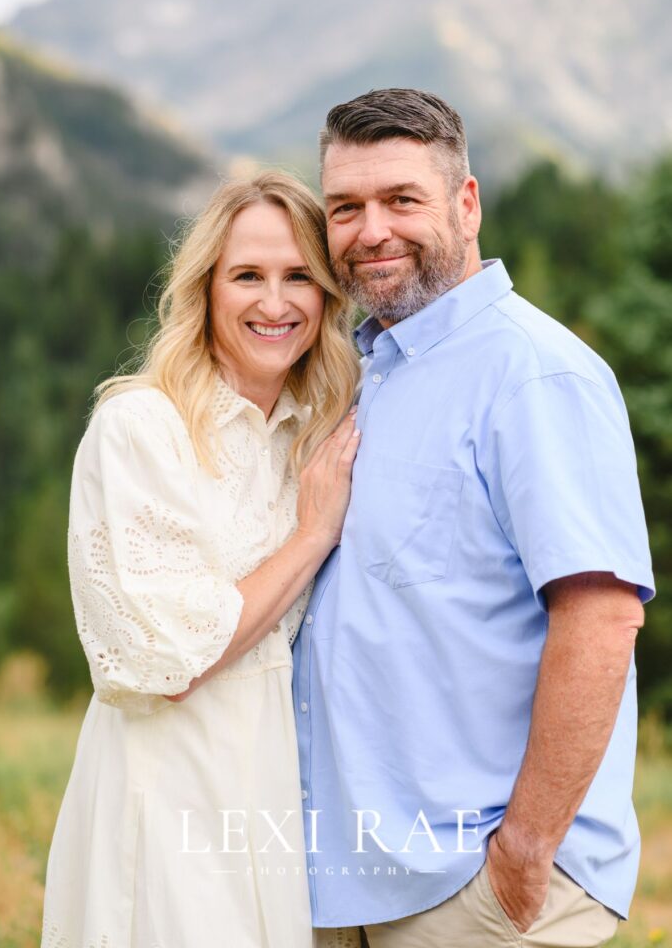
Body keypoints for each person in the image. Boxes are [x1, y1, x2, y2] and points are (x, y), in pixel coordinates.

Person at [293, 89, 655, 948]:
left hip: (477, 891)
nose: (369, 230)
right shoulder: (365, 371)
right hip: (348, 883)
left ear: (466, 203)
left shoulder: (533, 374)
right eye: (345, 207)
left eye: (400, 200)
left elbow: (601, 618)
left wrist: (522, 857)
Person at [40, 171, 364, 948]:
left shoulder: (312, 435)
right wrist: (311, 537)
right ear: (205, 289)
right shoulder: (140, 427)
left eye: (299, 278)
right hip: (167, 779)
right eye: (247, 275)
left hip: (274, 781)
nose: (274, 303)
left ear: (326, 297)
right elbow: (165, 659)